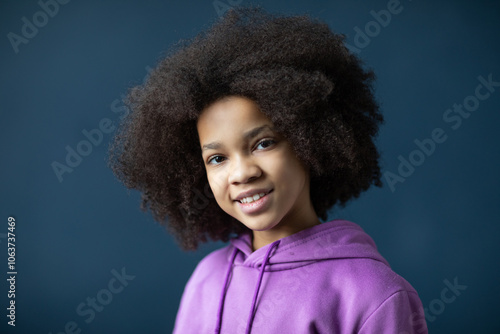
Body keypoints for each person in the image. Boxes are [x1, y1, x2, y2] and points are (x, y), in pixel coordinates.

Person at [108, 7, 428, 334]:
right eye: (217, 158)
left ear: (310, 141)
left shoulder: (374, 296)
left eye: (263, 143)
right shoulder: (207, 279)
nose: (242, 173)